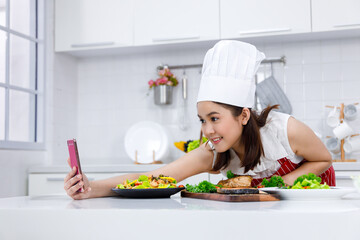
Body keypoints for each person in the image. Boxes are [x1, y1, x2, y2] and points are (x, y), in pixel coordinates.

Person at [64, 40, 335, 200]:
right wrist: (91, 187)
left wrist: (280, 185)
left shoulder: (284, 129)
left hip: (314, 200)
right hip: (269, 208)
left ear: (243, 115)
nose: (207, 130)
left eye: (214, 118)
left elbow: (324, 159)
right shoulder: (214, 151)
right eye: (202, 120)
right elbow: (153, 178)